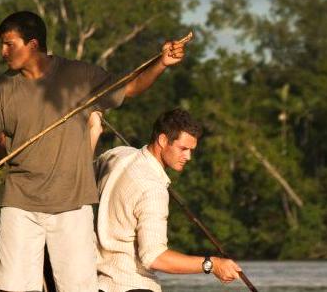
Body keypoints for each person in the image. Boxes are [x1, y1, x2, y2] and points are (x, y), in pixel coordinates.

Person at [0, 11, 189, 292]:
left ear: (32, 45)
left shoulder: (78, 75)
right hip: (20, 203)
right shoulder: (2, 90)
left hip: (72, 205)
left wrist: (162, 62)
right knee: (12, 288)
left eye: (9, 44)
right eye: (2, 45)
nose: (3, 52)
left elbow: (130, 88)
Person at [95, 108, 243, 292]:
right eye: (183, 149)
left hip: (97, 283)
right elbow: (154, 257)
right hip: (132, 284)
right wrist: (211, 264)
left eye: (191, 150)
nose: (188, 157)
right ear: (163, 140)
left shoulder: (116, 155)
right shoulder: (153, 189)